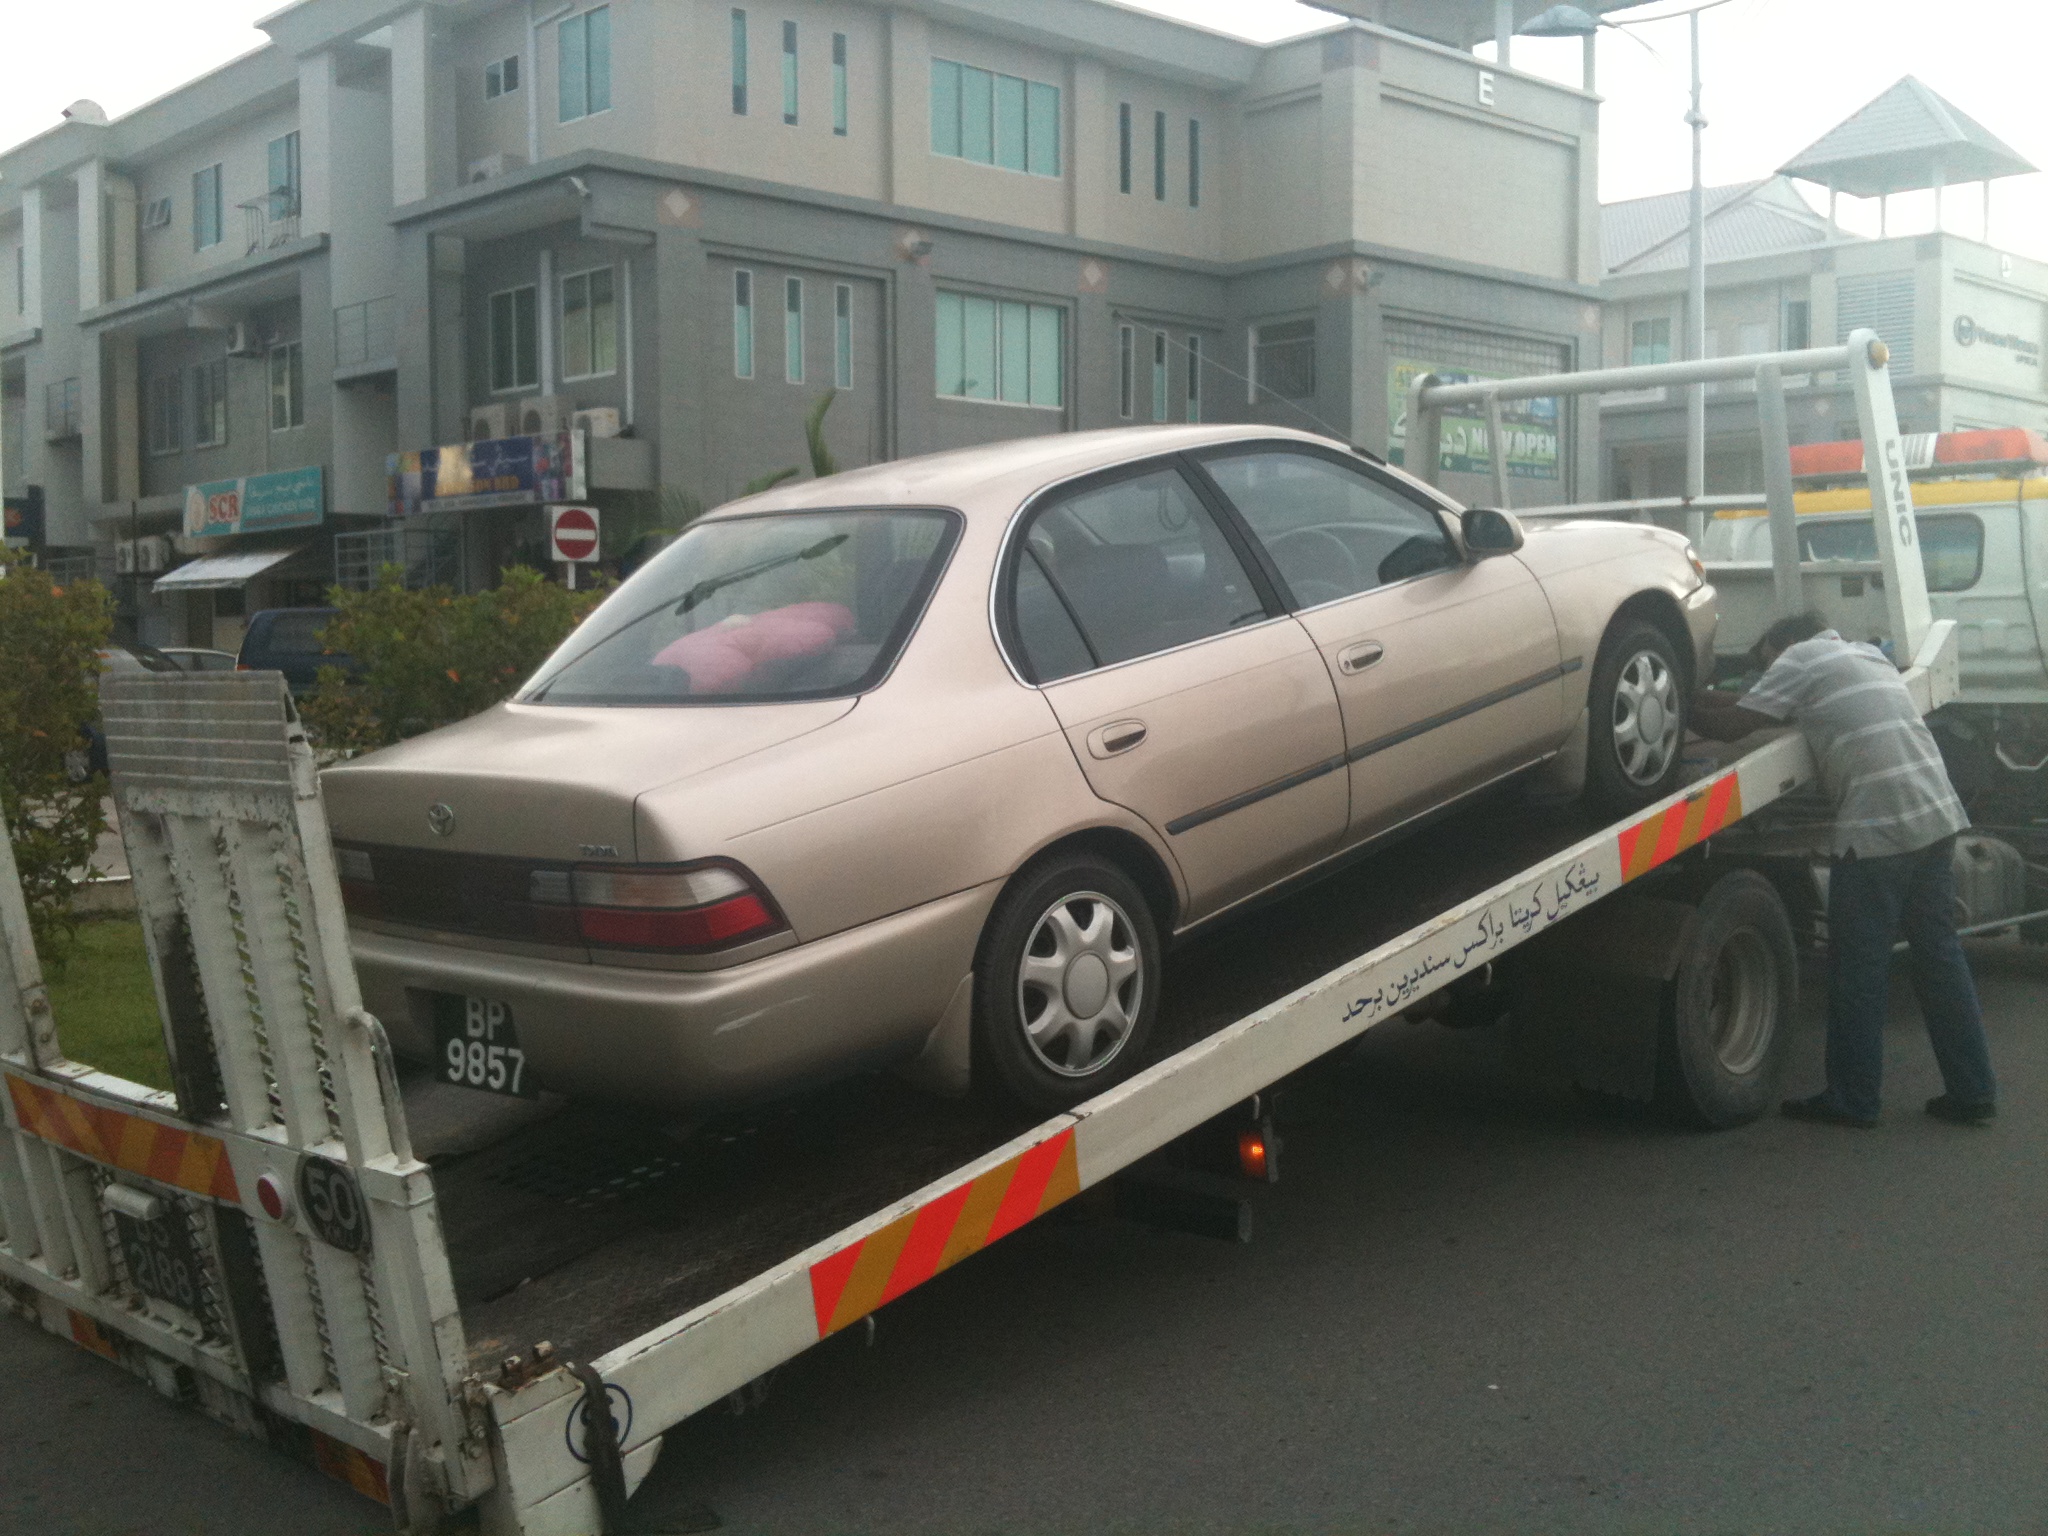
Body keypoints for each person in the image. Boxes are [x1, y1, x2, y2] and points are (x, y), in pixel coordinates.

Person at [1690, 612, 1998, 1129]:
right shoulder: (1863, 655)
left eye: (1766, 664)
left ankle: (1853, 1098)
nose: (1766, 676)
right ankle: (1974, 1092)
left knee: (1858, 970)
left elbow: (1732, 725)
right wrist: (1703, 694)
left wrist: (1677, 704)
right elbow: (1750, 705)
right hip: (1936, 816)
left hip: (1881, 829)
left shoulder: (1799, 659)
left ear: (1782, 643)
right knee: (1940, 958)